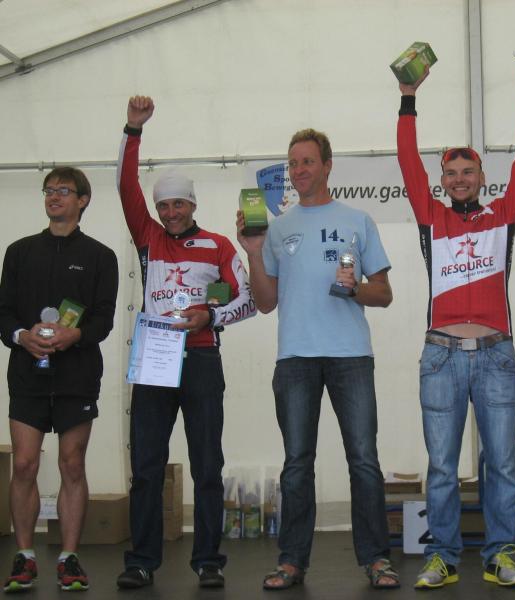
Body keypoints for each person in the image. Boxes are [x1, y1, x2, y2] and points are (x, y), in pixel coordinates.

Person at [396, 63, 515, 588]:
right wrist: (408, 98)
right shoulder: (430, 217)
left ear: (482, 177)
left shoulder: (501, 215)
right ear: (442, 181)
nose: (459, 179)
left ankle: (501, 554)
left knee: (501, 464)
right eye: (451, 173)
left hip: (496, 355)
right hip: (440, 356)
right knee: (442, 467)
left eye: (468, 171)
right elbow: (407, 162)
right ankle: (442, 556)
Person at [237, 128, 398, 590]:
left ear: (327, 165)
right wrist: (253, 253)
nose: (299, 170)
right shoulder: (277, 228)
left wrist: (355, 289)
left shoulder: (358, 220)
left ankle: (376, 559)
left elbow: (384, 293)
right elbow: (265, 302)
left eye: (307, 161)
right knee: (296, 464)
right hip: (295, 358)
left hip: (351, 356)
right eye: (293, 163)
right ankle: (291, 561)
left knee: (364, 460)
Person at [115, 96, 256, 589]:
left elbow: (249, 301)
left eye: (179, 204)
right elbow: (124, 186)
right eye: (164, 205)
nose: (171, 212)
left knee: (207, 465)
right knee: (146, 467)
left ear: (193, 205)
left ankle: (208, 560)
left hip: (200, 358)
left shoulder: (218, 245)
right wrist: (133, 131)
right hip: (155, 358)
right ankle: (141, 560)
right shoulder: (148, 237)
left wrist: (208, 315)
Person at [0, 167, 119, 592]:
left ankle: (69, 558)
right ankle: (25, 556)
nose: (53, 197)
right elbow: (3, 313)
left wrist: (76, 335)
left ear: (83, 200)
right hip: (27, 372)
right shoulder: (19, 252)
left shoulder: (101, 256)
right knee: (25, 464)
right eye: (49, 190)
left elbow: (104, 318)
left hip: (77, 375)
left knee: (72, 463)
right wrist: (22, 336)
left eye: (63, 191)